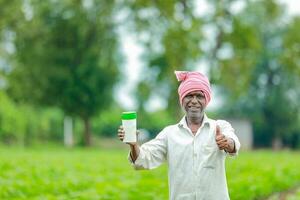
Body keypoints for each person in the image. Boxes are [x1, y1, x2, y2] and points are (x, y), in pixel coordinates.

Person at [118, 71, 241, 200]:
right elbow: (143, 160)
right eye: (189, 96)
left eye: (199, 96)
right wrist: (134, 145)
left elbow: (234, 143)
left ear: (206, 100)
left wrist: (228, 143)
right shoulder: (169, 134)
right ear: (182, 100)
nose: (194, 101)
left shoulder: (219, 127)